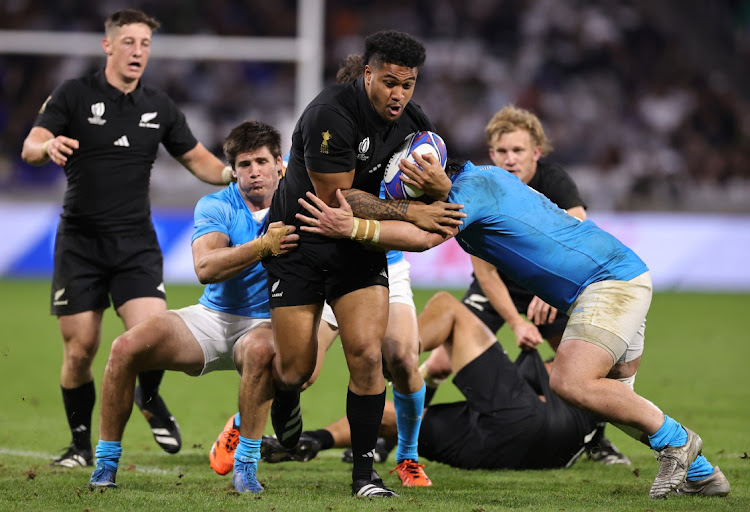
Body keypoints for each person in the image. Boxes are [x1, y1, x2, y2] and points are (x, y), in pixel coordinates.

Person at [295, 157, 730, 499]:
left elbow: (425, 238)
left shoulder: (473, 188)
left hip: (606, 282)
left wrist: (352, 226)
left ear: (432, 169)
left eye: (410, 190)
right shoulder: (481, 183)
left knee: (571, 381)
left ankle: (678, 444)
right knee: (615, 399)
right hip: (616, 273)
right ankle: (704, 475)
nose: (411, 202)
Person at [20, 8, 235, 468]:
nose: (138, 52)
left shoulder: (159, 107)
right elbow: (31, 145)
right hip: (80, 242)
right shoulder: (74, 94)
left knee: (151, 336)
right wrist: (47, 147)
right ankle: (79, 446)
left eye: (145, 45)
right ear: (108, 46)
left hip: (135, 242)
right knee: (80, 349)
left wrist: (238, 173)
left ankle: (149, 397)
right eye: (130, 43)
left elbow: (200, 160)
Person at [262, 30, 463, 497]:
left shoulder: (414, 124)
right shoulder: (328, 114)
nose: (399, 95)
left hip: (356, 249)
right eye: (390, 82)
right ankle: (286, 402)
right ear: (368, 72)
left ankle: (364, 477)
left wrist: (439, 188)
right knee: (295, 369)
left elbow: (436, 191)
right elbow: (338, 201)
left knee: (369, 356)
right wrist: (416, 210)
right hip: (300, 243)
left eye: (408, 84)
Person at [86, 120, 298, 491]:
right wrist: (263, 246)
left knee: (267, 352)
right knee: (124, 349)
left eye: (262, 162)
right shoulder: (217, 204)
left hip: (267, 322)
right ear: (232, 171)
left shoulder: (297, 202)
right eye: (245, 165)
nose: (255, 172)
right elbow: (205, 267)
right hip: (211, 318)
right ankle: (105, 464)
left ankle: (245, 467)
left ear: (280, 163)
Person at [448, 104, 628, 465]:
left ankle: (596, 440)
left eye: (518, 151)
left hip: (546, 285)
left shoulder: (555, 181)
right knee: (438, 363)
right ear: (491, 154)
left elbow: (579, 232)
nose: (510, 159)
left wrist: (549, 289)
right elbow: (485, 273)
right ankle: (399, 434)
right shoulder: (480, 187)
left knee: (589, 366)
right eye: (502, 151)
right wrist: (516, 323)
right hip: (497, 285)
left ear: (536, 153)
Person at [262, 291, 603, 471]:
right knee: (394, 422)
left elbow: (439, 366)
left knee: (447, 307)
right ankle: (311, 441)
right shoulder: (592, 381)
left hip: (524, 423)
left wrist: (410, 369)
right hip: (510, 452)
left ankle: (396, 354)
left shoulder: (561, 372)